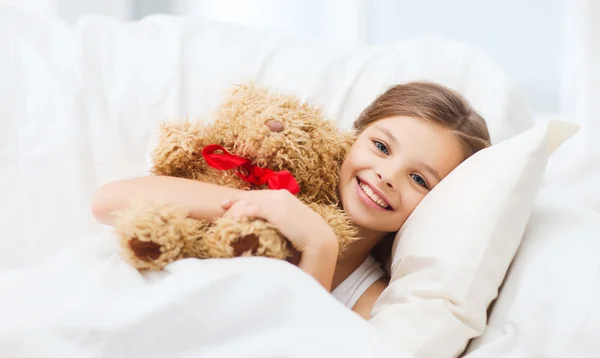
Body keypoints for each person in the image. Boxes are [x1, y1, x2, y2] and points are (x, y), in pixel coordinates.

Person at [91, 81, 491, 319]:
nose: (387, 175)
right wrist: (264, 204)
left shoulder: (369, 296)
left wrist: (319, 244)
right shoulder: (265, 185)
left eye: (419, 179)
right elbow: (108, 203)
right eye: (381, 147)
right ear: (352, 139)